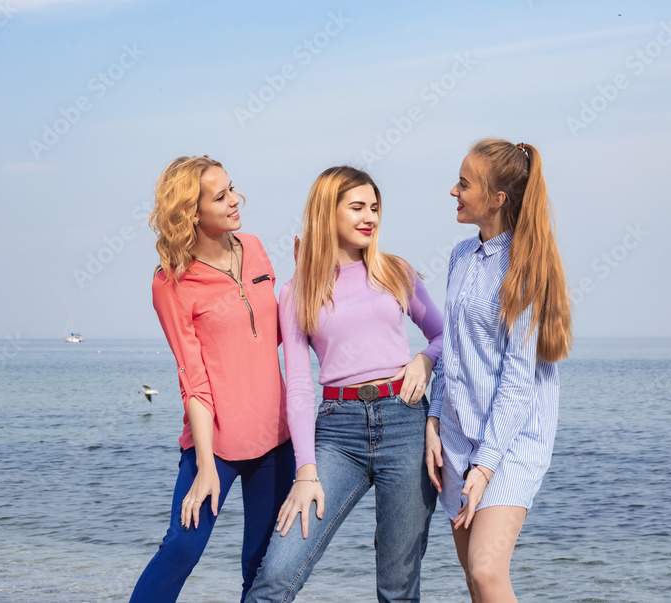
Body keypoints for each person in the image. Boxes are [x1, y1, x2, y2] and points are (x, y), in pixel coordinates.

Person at [246, 166, 444, 603]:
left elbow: (444, 336)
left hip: (405, 423)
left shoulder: (395, 271)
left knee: (397, 588)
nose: (368, 217)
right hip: (337, 432)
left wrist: (424, 361)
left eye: (374, 208)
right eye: (356, 207)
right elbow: (298, 384)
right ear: (326, 212)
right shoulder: (298, 291)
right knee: (275, 577)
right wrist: (305, 471)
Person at [130, 155, 294, 603]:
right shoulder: (172, 283)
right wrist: (205, 467)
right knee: (181, 547)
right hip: (215, 445)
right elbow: (193, 380)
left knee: (263, 566)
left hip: (276, 440)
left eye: (232, 188)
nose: (235, 200)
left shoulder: (256, 248)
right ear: (191, 212)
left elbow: (271, 338)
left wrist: (308, 282)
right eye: (220, 197)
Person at [425, 139, 572, 603]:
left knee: (488, 571)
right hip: (456, 434)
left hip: (511, 443)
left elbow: (517, 381)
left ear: (497, 199)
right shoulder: (459, 257)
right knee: (473, 577)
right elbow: (450, 350)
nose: (453, 190)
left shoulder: (524, 269)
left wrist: (485, 467)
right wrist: (432, 419)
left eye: (464, 184)